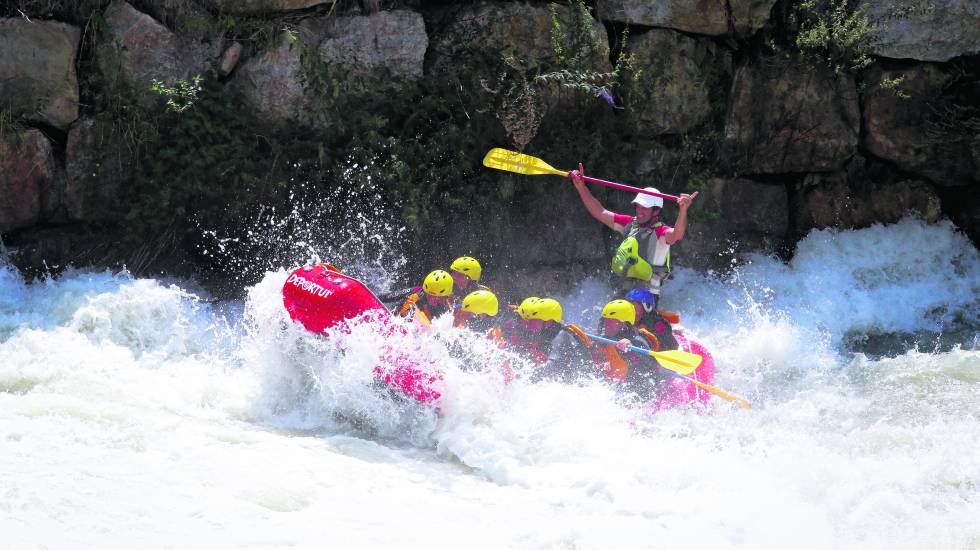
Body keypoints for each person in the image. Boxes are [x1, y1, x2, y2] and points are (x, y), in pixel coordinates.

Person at [568, 164, 698, 308]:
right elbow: (600, 212)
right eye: (638, 206)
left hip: (647, 298)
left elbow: (677, 234)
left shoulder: (661, 232)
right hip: (624, 293)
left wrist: (683, 210)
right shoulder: (630, 224)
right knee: (607, 316)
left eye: (645, 208)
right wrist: (581, 187)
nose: (640, 211)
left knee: (623, 312)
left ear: (655, 211)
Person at [592, 299, 667, 400]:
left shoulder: (637, 342)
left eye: (612, 321)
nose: (607, 324)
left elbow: (655, 365)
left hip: (639, 393)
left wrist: (631, 348)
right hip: (615, 388)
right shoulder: (603, 338)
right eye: (605, 320)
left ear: (624, 324)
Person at [624, 288, 679, 352]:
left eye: (633, 306)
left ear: (646, 306)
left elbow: (671, 346)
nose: (630, 309)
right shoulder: (627, 319)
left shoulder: (656, 324)